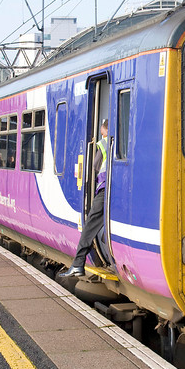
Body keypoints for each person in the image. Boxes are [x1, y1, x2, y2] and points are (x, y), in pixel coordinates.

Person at [61, 119, 109, 277]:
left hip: (104, 190)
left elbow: (95, 166)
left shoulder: (103, 143)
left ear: (104, 129)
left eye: (102, 128)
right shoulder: (121, 142)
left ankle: (77, 263)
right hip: (118, 190)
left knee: (90, 225)